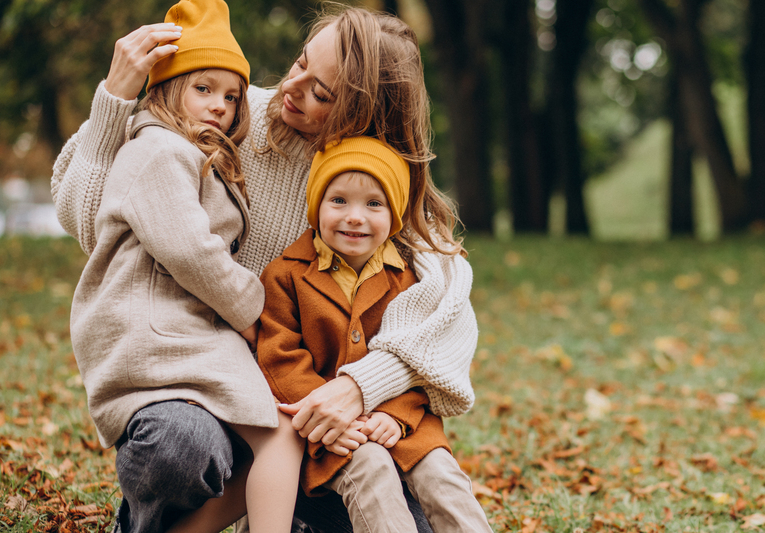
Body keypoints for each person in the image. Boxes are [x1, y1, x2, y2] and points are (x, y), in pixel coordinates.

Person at [52, 5, 479, 532]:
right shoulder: (222, 113)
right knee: (180, 446)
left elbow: (449, 304)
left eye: (321, 93)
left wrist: (359, 387)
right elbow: (89, 222)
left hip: (305, 401)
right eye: (300, 63)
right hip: (204, 374)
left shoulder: (365, 185)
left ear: (364, 116)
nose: (291, 89)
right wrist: (115, 98)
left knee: (414, 520)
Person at [68, 1, 303, 532]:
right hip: (159, 340)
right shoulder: (157, 150)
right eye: (203, 88)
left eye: (231, 95)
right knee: (276, 435)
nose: (220, 105)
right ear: (165, 88)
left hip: (190, 337)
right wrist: (253, 313)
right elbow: (191, 250)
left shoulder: (196, 154)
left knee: (286, 436)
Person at [258, 136, 492, 533]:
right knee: (372, 470)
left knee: (444, 480)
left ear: (394, 215)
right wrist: (328, 419)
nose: (354, 217)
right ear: (316, 206)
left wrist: (396, 415)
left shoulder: (411, 279)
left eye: (373, 204)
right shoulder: (285, 274)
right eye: (339, 201)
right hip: (332, 436)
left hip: (405, 424)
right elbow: (279, 360)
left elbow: (420, 360)